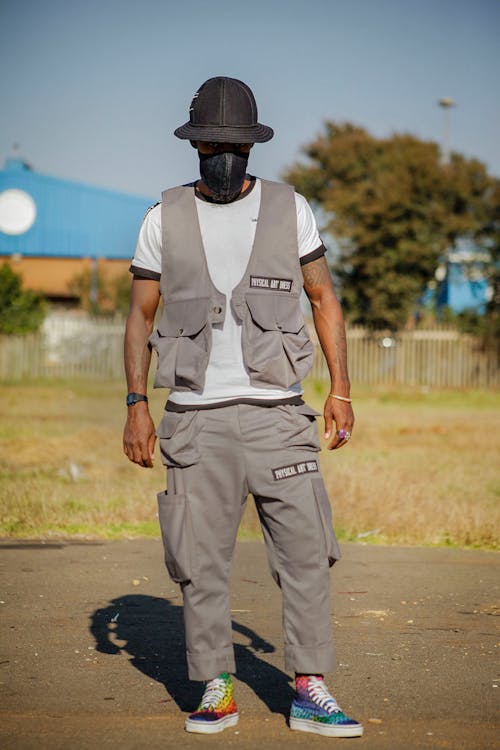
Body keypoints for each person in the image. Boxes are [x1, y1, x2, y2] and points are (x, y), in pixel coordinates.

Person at [123, 76, 362, 739]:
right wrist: (137, 404)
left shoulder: (292, 209)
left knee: (306, 555)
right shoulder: (160, 217)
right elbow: (141, 316)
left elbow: (323, 299)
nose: (224, 154)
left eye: (236, 144)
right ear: (195, 143)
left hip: (279, 416)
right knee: (198, 561)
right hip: (194, 419)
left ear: (253, 146)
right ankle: (216, 687)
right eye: (213, 143)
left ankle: (310, 689)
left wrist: (340, 390)